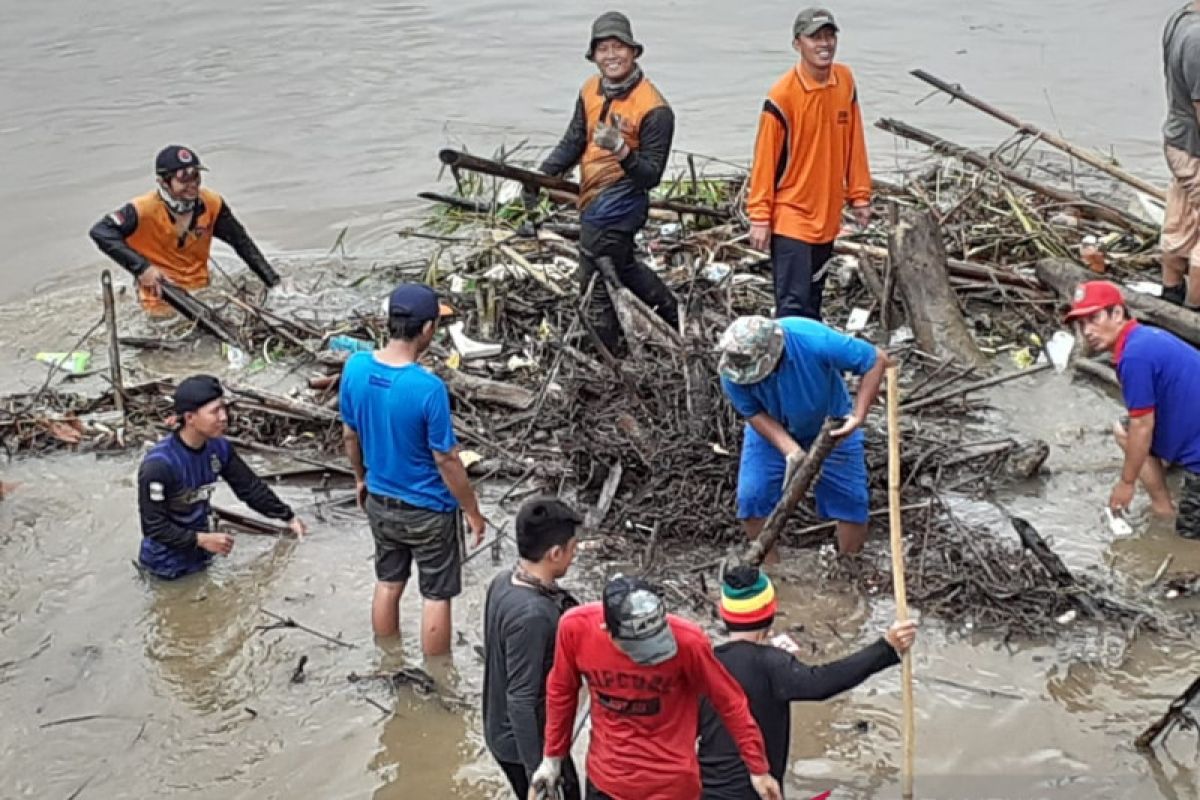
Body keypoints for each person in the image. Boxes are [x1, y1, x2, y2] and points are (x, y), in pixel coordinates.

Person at [531, 575, 782, 800]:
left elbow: (730, 702)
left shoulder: (688, 642)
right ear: (607, 630)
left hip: (671, 787)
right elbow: (561, 691)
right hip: (605, 781)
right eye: (640, 647)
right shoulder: (575, 629)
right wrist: (552, 759)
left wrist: (757, 768)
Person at [339, 283, 487, 654]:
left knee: (388, 583)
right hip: (428, 510)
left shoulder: (355, 368)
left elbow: (349, 434)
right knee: (436, 595)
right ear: (426, 329)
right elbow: (446, 459)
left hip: (380, 500)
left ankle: (387, 660)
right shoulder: (427, 387)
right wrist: (472, 511)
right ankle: (438, 678)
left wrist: (360, 478)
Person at [698, 566, 918, 799]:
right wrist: (886, 647)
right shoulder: (773, 665)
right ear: (772, 611)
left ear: (723, 613)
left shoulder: (704, 663)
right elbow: (822, 682)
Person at [532, 11, 679, 354]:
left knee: (595, 276)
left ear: (634, 52)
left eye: (619, 47)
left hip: (622, 203)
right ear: (594, 55)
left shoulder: (655, 109)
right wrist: (542, 175)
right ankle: (671, 314)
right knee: (622, 265)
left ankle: (606, 353)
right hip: (592, 198)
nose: (611, 55)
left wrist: (622, 150)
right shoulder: (589, 90)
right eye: (603, 49)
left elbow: (651, 175)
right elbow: (574, 142)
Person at [717, 315, 891, 557]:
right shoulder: (732, 371)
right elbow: (753, 413)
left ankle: (848, 564)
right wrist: (791, 451)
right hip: (771, 429)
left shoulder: (814, 340)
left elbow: (876, 359)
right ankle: (769, 569)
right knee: (752, 497)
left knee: (851, 500)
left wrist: (858, 416)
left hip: (833, 426)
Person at [747, 8, 871, 321]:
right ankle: (790, 368)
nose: (824, 43)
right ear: (797, 44)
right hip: (791, 216)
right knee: (792, 308)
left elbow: (855, 140)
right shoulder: (783, 96)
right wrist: (760, 217)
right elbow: (764, 161)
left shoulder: (844, 80)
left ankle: (812, 368)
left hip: (827, 216)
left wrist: (859, 195)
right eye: (815, 37)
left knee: (813, 304)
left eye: (829, 35)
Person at [1064, 280, 1200, 539]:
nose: (1088, 331)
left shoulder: (1135, 357)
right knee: (1123, 428)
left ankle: (1166, 510)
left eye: (1094, 318)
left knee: (1187, 540)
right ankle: (1163, 506)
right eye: (1081, 324)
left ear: (1117, 313)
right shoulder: (1146, 338)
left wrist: (1126, 484)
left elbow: (1143, 425)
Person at [137, 374, 307, 579]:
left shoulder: (218, 448)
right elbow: (154, 527)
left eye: (223, 408)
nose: (224, 417)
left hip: (202, 557)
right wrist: (201, 539)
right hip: (164, 568)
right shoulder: (159, 466)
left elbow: (250, 488)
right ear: (190, 418)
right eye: (214, 411)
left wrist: (288, 517)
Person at [89, 145, 280, 315]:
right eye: (184, 179)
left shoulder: (212, 204)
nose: (193, 184)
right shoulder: (142, 210)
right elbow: (101, 232)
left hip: (202, 292)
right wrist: (142, 269)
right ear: (163, 182)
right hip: (161, 299)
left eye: (196, 176)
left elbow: (243, 244)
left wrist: (274, 283)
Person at [483, 497, 584, 800]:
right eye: (572, 548)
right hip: (528, 744)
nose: (575, 553)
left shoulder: (503, 582)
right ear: (555, 553)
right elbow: (521, 700)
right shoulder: (534, 616)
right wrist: (539, 771)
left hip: (499, 730)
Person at [1160, 2, 1200, 307]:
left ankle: (1170, 296)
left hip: (1178, 141)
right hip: (1195, 147)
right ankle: (1193, 313)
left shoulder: (1182, 18)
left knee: (1181, 222)